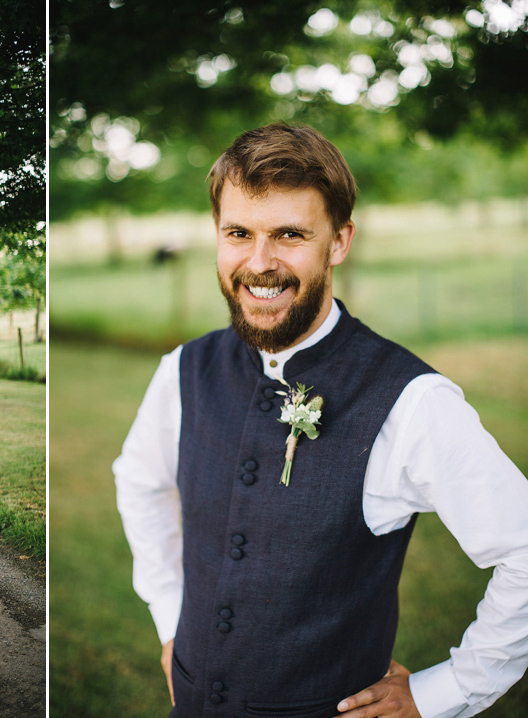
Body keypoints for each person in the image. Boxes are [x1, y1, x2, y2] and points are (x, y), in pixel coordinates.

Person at [113, 123, 528, 718]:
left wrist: (448, 691)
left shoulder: (412, 400)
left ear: (338, 241)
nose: (259, 263)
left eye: (290, 234)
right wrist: (170, 617)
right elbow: (139, 481)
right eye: (238, 233)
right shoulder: (184, 369)